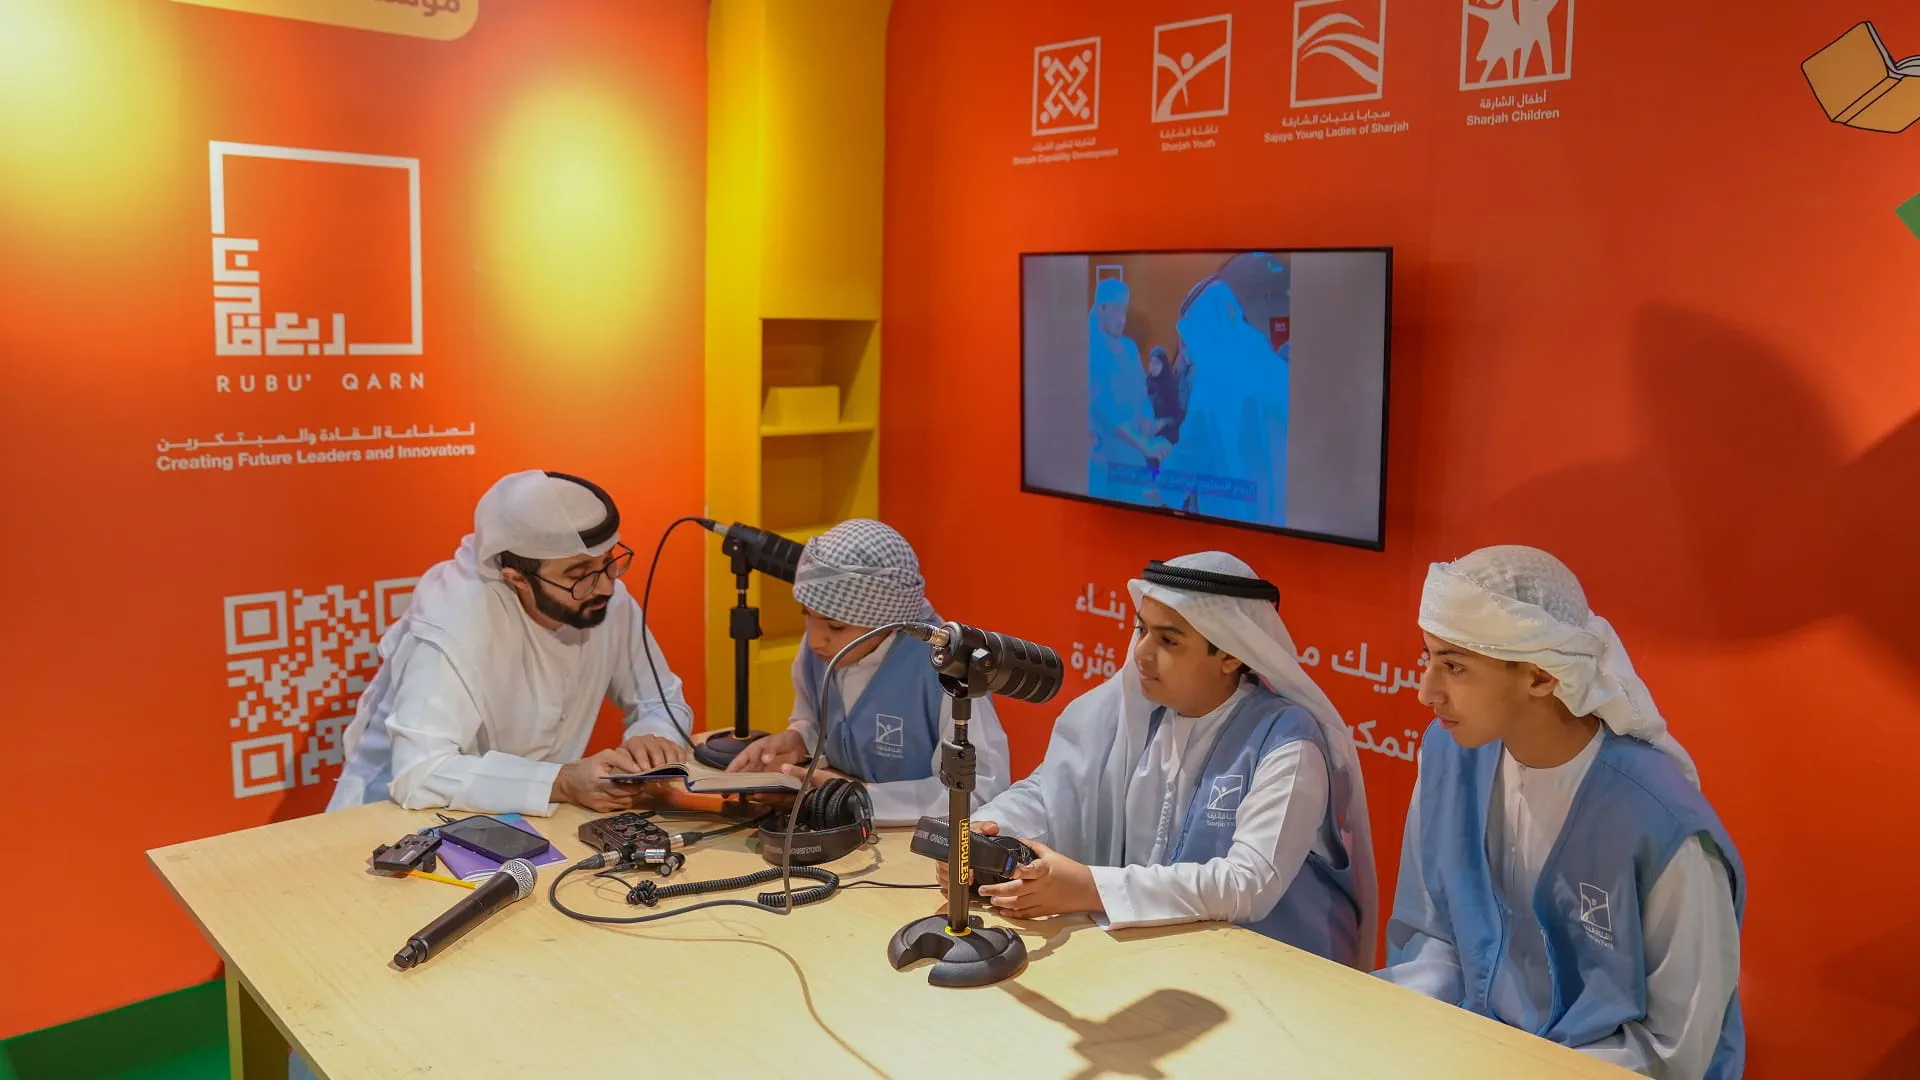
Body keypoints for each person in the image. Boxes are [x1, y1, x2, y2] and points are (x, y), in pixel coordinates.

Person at [1377, 545, 1744, 1079]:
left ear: (1540, 677)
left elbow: (1672, 1050)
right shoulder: (1448, 756)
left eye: (1454, 666)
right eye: (1427, 658)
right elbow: (1430, 934)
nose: (1426, 691)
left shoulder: (1660, 823)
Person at [950, 552, 1379, 968]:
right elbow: (1049, 794)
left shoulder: (1286, 740)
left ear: (1230, 654)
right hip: (1160, 959)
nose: (1142, 653)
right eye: (1142, 630)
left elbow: (1249, 883)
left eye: (1168, 640)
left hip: (1277, 973)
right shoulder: (1128, 711)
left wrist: (1091, 888)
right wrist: (984, 833)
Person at [328, 470, 695, 817]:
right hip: (386, 822)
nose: (606, 586)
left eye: (609, 562)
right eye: (578, 574)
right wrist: (561, 782)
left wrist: (653, 739)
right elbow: (420, 773)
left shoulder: (604, 599)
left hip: (519, 820)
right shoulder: (455, 622)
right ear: (517, 578)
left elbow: (661, 700)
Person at [725, 519, 1010, 826]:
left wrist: (858, 798)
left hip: (913, 841)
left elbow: (981, 790)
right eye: (808, 615)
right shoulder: (820, 650)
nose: (816, 639)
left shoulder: (948, 669)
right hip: (835, 828)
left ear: (888, 622)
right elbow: (819, 722)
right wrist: (798, 740)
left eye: (836, 626)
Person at [1152, 278, 1289, 526]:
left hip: (1234, 525)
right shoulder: (1272, 362)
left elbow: (1189, 456)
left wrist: (1156, 487)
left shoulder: (1214, 377)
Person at [1085, 277, 1163, 504]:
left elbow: (1142, 394)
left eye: (1124, 311)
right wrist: (1143, 444)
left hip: (1133, 462)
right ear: (1101, 308)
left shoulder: (1129, 348)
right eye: (1116, 310)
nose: (1122, 319)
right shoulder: (1088, 347)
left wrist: (1147, 419)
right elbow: (1102, 409)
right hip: (1103, 464)